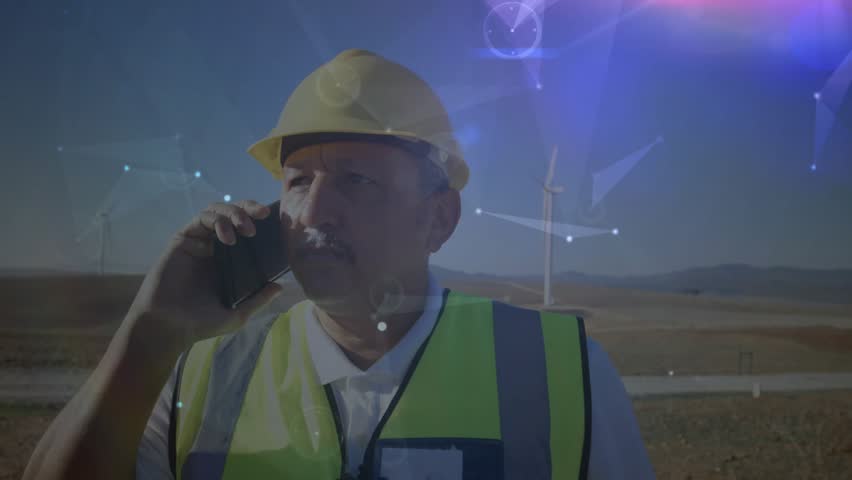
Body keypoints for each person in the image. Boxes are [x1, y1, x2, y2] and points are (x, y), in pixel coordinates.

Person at [23, 49, 654, 480]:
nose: (314, 212)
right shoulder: (201, 374)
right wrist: (149, 338)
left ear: (438, 219)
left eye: (357, 181)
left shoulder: (561, 374)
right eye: (298, 181)